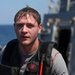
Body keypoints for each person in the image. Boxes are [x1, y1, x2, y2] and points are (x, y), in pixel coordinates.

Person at [0, 6, 69, 75]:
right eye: (20, 25)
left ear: (39, 28)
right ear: (14, 27)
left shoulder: (53, 58)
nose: (24, 30)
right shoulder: (7, 51)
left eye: (30, 25)